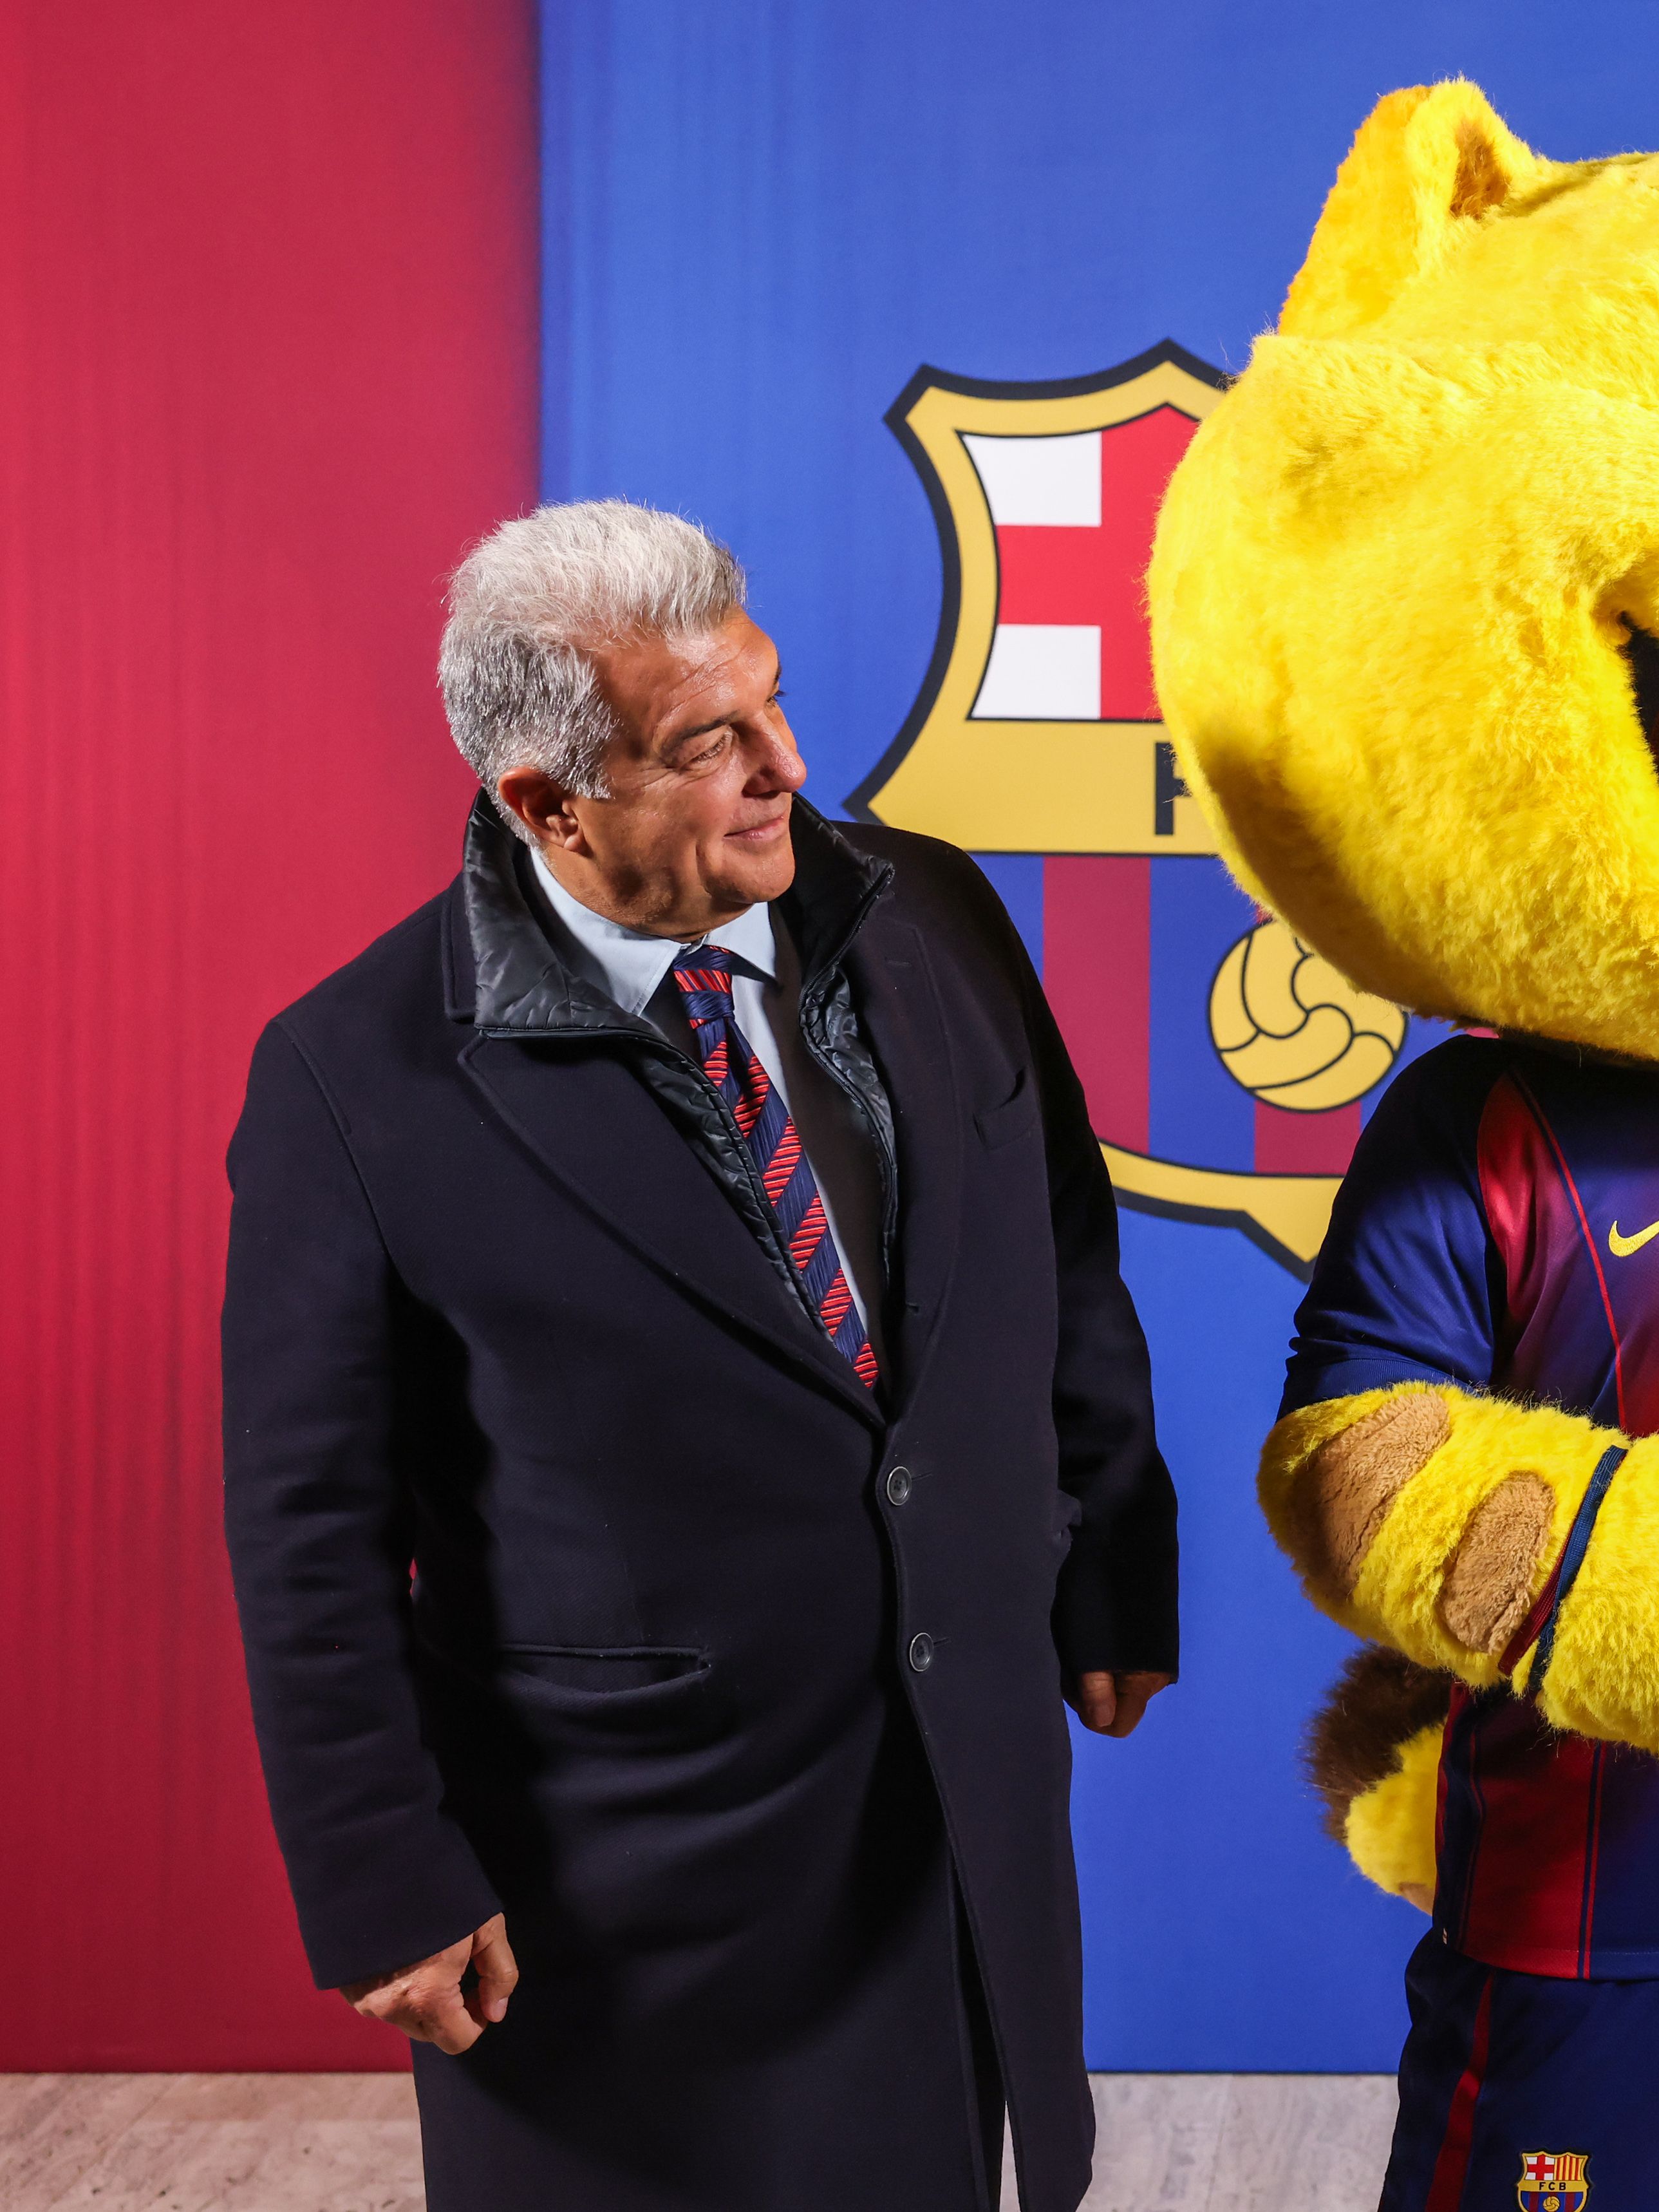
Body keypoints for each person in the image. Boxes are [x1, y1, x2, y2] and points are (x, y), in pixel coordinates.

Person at [221, 500, 1176, 2212]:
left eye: (776, 704)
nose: (784, 765)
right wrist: (379, 1867)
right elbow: (309, 1525)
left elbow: (1058, 1237)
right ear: (548, 803)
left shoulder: (933, 912)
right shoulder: (349, 1081)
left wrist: (1111, 1553)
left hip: (951, 1795)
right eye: (709, 743)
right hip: (625, 1870)